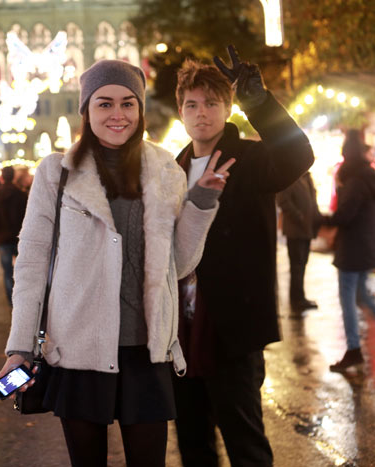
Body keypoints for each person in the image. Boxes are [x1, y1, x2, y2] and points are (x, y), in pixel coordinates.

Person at [0, 59, 231, 466]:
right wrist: (19, 346)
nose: (117, 114)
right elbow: (32, 264)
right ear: (86, 110)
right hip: (77, 350)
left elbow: (177, 266)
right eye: (104, 103)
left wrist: (201, 203)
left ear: (140, 109)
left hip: (146, 350)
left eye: (128, 103)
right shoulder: (57, 172)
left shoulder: (165, 171)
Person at [171, 46, 314, 467]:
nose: (201, 113)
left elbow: (298, 156)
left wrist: (260, 103)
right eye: (192, 104)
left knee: (245, 441)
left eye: (211, 103)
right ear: (180, 111)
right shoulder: (172, 168)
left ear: (227, 107)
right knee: (193, 442)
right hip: (179, 328)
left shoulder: (249, 158)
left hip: (233, 327)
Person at [324, 131, 375, 372]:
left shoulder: (355, 180)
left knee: (348, 300)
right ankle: (353, 349)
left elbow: (345, 215)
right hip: (365, 245)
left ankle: (353, 349)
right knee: (361, 295)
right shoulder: (368, 176)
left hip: (353, 249)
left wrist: (322, 219)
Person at [277, 172, 322, 313]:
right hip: (295, 230)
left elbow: (312, 200)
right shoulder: (290, 176)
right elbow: (283, 201)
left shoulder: (307, 177)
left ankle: (300, 297)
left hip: (307, 229)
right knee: (297, 266)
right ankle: (296, 300)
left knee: (302, 265)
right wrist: (299, 216)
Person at [0, 166, 28, 307]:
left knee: (8, 272)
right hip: (20, 238)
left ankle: (12, 302)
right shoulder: (22, 195)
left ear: (1, 178)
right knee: (23, 270)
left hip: (3, 239)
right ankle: (23, 298)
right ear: (14, 177)